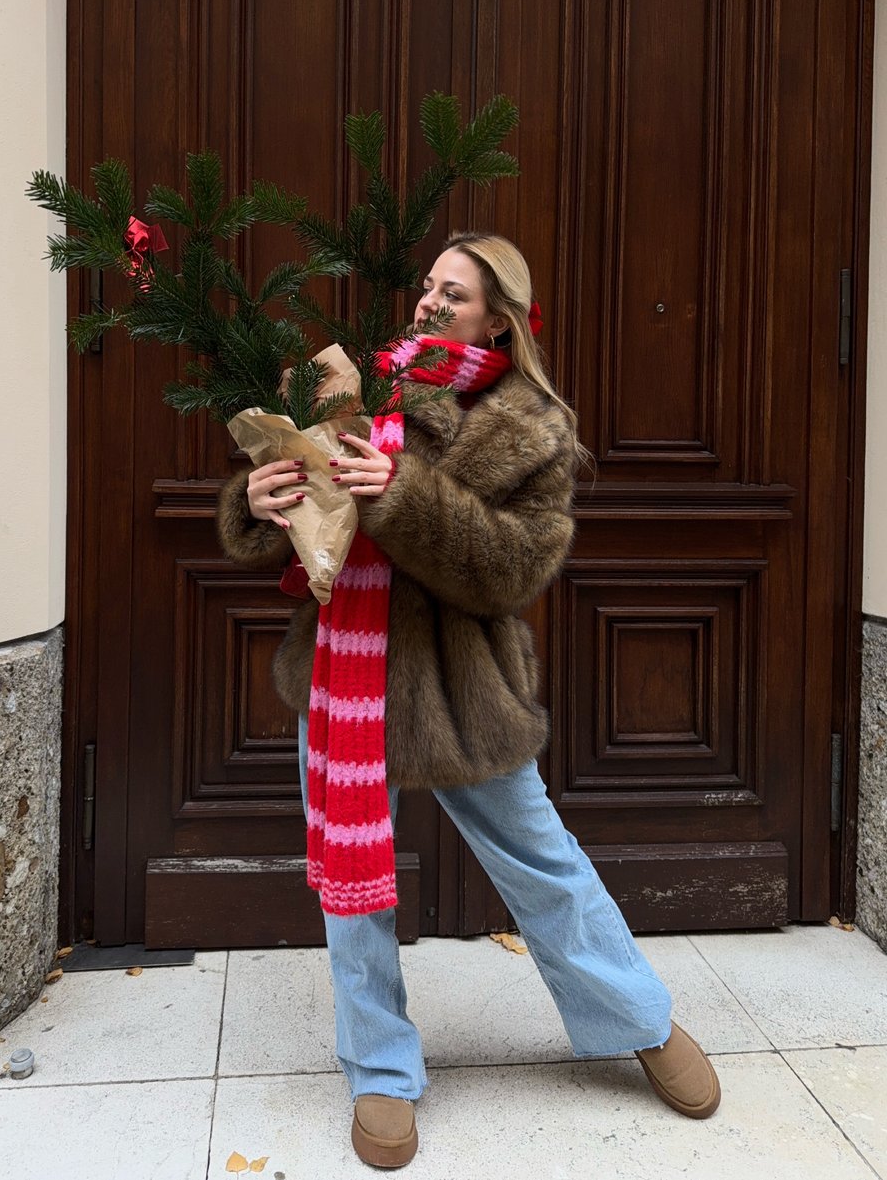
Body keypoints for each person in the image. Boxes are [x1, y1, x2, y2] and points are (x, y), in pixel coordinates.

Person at [215, 231, 720, 1168]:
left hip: (460, 686)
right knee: (352, 891)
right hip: (345, 678)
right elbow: (283, 530)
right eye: (428, 286)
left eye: (456, 293)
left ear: (499, 315)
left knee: (543, 861)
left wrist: (400, 494)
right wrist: (259, 496)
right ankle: (379, 1069)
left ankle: (641, 1020)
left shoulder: (530, 425)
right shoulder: (360, 382)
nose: (430, 302)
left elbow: (514, 567)